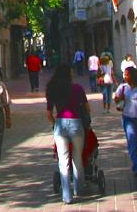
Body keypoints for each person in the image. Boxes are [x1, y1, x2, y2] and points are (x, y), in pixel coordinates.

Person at [46, 63, 90, 204]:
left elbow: (48, 113)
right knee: (77, 158)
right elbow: (87, 108)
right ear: (68, 74)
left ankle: (67, 196)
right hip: (76, 123)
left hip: (60, 124)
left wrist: (55, 123)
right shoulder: (77, 88)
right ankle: (78, 189)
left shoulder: (52, 89)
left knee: (63, 161)